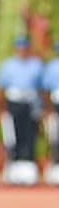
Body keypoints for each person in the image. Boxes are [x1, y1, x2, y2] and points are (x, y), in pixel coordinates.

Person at [0, 35, 44, 185]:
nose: (22, 51)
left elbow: (42, 88)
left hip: (30, 102)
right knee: (14, 135)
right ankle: (15, 165)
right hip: (14, 102)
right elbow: (2, 89)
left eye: (25, 48)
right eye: (20, 48)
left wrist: (43, 108)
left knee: (30, 134)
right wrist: (1, 108)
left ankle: (28, 165)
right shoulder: (9, 65)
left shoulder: (36, 65)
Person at [44, 43, 59, 185]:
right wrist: (48, 109)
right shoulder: (52, 67)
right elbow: (46, 90)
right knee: (55, 137)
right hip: (56, 105)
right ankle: (55, 164)